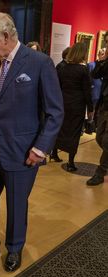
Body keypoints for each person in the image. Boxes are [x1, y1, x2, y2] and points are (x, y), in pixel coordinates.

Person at [0, 12, 64, 272]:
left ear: (6, 36)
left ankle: (14, 248)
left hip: (22, 151)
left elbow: (55, 112)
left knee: (16, 204)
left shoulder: (39, 63)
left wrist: (40, 148)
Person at [50, 43, 93, 170]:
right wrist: (90, 109)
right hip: (77, 105)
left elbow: (57, 87)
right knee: (73, 132)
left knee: (60, 128)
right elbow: (87, 92)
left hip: (62, 102)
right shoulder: (83, 70)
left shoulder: (63, 67)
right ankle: (70, 163)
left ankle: (54, 153)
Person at [87, 33, 108, 186]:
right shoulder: (106, 61)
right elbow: (95, 74)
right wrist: (102, 59)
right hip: (104, 105)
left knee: (107, 141)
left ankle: (100, 173)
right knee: (99, 138)